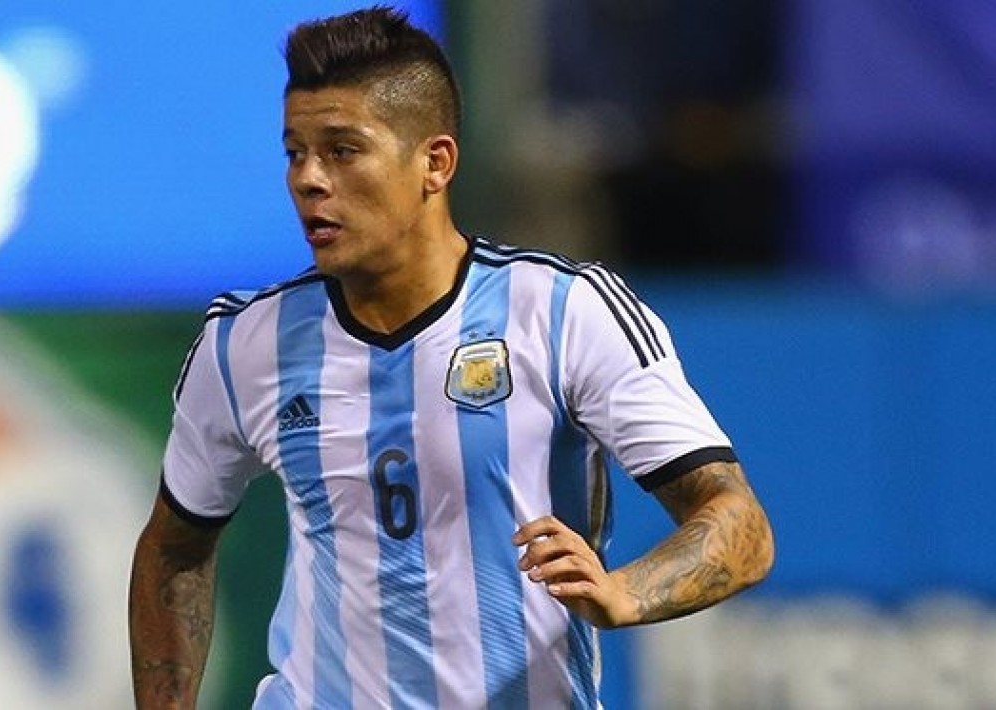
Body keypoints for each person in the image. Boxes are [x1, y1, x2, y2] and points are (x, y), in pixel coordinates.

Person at [128, 5, 774, 709]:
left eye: (342, 150)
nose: (309, 179)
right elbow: (173, 550)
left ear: (434, 163)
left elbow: (737, 520)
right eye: (295, 152)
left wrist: (627, 593)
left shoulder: (563, 313)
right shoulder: (244, 343)